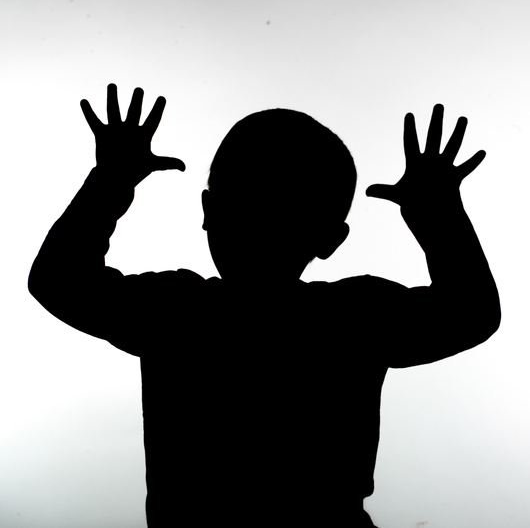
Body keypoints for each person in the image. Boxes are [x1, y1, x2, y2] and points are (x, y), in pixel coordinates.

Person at [28, 84, 501, 527]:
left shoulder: (175, 312)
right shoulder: (355, 317)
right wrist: (438, 214)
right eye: (252, 203)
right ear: (330, 240)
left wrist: (111, 180)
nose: (262, 222)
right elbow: (472, 312)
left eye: (278, 208)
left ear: (209, 212)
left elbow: (58, 279)